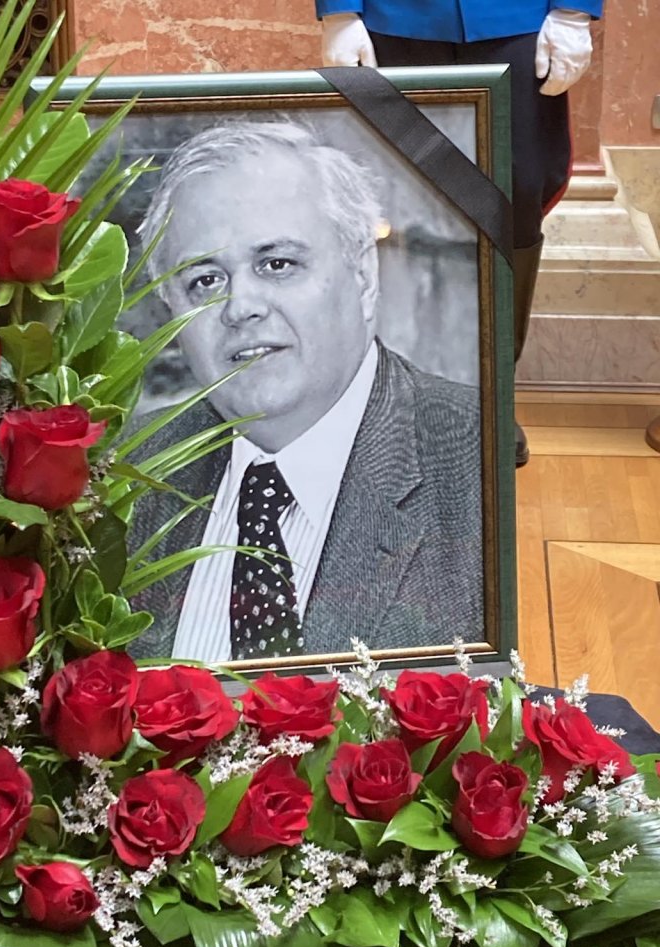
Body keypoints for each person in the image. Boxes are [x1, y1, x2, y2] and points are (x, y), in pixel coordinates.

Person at [128, 119, 483, 664]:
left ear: (363, 275)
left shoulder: (475, 465)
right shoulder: (122, 474)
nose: (240, 306)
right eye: (205, 280)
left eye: (277, 264)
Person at [318, 0, 602, 466]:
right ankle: (407, 398)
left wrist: (574, 10)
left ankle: (492, 392)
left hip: (518, 18)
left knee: (518, 191)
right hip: (397, 18)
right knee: (402, 190)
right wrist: (340, 11)